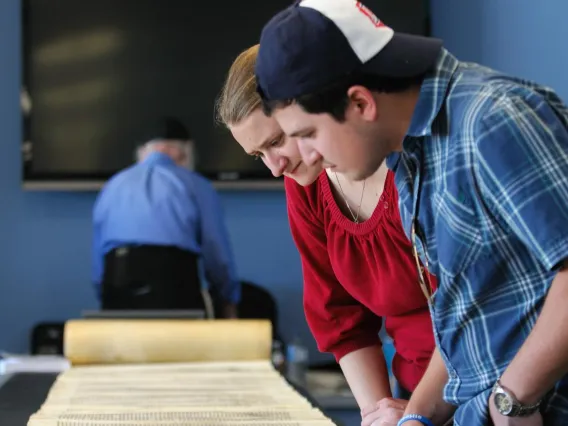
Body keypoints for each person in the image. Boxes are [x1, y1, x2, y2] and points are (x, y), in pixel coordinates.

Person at [253, 0, 568, 425]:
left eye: (308, 134)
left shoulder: (489, 119)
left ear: (361, 103)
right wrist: (417, 418)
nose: (306, 155)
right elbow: (468, 321)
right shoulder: (413, 153)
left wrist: (516, 397)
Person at [216, 44, 437, 424]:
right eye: (258, 155)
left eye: (276, 142)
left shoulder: (418, 167)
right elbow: (339, 316)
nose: (274, 167)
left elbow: (473, 313)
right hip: (412, 393)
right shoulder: (305, 184)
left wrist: (420, 414)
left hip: (495, 382)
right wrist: (377, 413)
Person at [92, 117, 240, 319]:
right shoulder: (197, 185)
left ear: (143, 152)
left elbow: (99, 263)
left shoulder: (113, 186)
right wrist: (228, 298)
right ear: (184, 152)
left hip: (117, 291)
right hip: (175, 290)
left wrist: (106, 298)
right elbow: (216, 252)